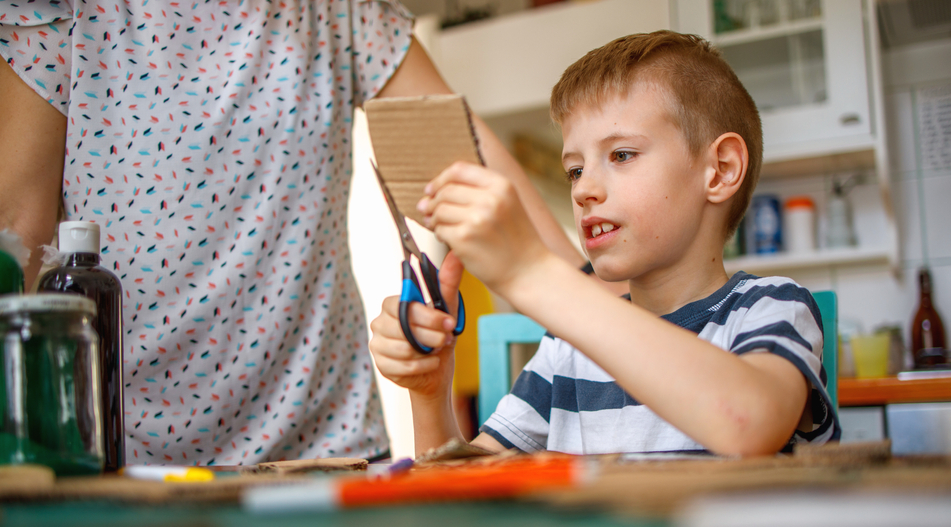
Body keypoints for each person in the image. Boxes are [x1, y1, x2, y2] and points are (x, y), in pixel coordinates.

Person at [0, 0, 585, 465]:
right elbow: (17, 237)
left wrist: (596, 300)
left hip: (324, 447)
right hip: (122, 452)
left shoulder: (338, 11)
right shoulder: (60, 10)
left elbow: (470, 164)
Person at [369, 30, 841, 457]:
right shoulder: (567, 351)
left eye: (621, 154)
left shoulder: (771, 308)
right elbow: (460, 498)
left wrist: (533, 273)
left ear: (719, 170)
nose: (582, 189)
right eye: (574, 169)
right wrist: (430, 395)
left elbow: (748, 424)